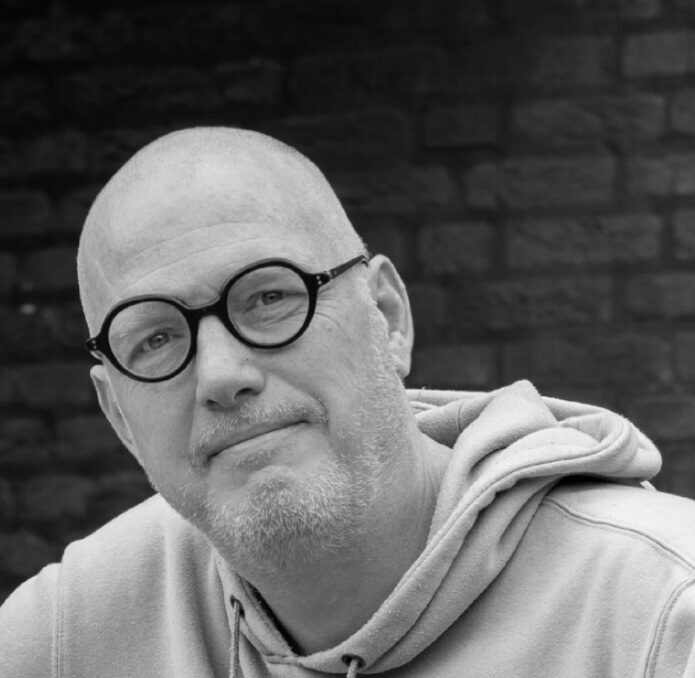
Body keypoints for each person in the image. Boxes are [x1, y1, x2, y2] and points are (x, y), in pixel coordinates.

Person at [1, 127, 694, 678]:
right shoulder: (65, 636)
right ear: (119, 416)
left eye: (269, 297)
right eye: (154, 339)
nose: (220, 375)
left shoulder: (658, 613)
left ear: (387, 318)